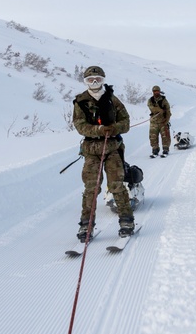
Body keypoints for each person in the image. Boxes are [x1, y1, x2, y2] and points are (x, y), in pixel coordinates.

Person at [72, 65, 134, 239]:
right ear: (85, 82)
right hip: (91, 152)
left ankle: (126, 221)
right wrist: (99, 130)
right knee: (91, 189)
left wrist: (114, 128)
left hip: (112, 150)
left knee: (117, 186)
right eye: (90, 80)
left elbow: (126, 122)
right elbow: (80, 126)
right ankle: (86, 226)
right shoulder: (80, 102)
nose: (94, 82)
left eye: (97, 79)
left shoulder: (113, 100)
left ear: (103, 80)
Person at [147, 85, 172, 157]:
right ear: (153, 92)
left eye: (157, 91)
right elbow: (151, 108)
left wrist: (166, 121)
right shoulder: (150, 100)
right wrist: (159, 110)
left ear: (159, 91)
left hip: (162, 122)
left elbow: (168, 112)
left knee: (165, 137)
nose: (156, 92)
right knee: (153, 137)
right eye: (155, 91)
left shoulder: (164, 100)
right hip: (153, 122)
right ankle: (155, 150)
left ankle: (166, 149)